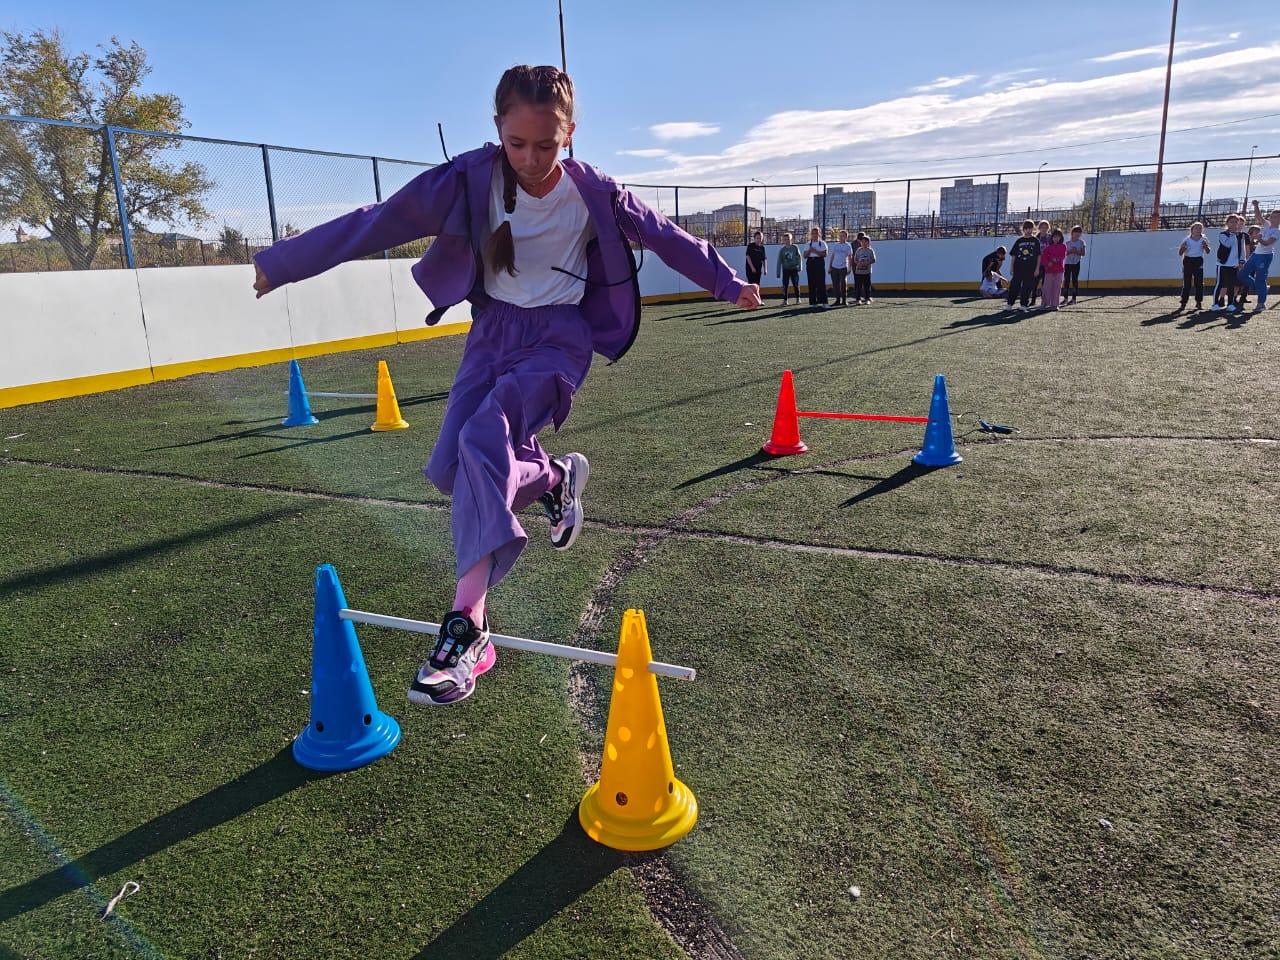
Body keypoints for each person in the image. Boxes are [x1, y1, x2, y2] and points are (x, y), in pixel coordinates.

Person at [252, 64, 760, 706]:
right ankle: (552, 477)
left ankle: (468, 626)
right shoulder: (468, 178)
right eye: (517, 143)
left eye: (546, 145)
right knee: (456, 464)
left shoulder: (595, 192)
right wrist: (283, 263)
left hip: (559, 339)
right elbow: (380, 219)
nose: (531, 159)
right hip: (492, 333)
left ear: (569, 134)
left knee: (484, 438)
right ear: (497, 130)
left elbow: (664, 235)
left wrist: (726, 282)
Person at [1238, 200, 1279, 312]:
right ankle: (1262, 288)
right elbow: (1258, 216)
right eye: (1272, 216)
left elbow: (1267, 243)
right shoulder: (1267, 224)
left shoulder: (1276, 232)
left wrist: (1259, 238)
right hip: (1256, 254)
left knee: (1260, 278)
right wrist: (1256, 206)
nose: (1272, 218)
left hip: (1265, 257)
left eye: (1275, 217)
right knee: (1242, 275)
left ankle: (1261, 304)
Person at [1006, 220, 1041, 312]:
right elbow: (1014, 255)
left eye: (1030, 228)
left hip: (1030, 268)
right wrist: (1011, 267)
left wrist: (1037, 268)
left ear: (1033, 229)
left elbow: (1038, 255)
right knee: (1014, 285)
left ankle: (1024, 304)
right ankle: (1009, 303)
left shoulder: (1036, 241)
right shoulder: (1019, 241)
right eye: (1026, 228)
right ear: (1023, 229)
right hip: (1018, 267)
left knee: (1027, 286)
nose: (1028, 230)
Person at [1212, 214, 1244, 313]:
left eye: (1236, 222)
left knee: (1231, 285)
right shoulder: (1222, 234)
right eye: (1231, 222)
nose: (1234, 224)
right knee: (1220, 284)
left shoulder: (1241, 236)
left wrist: (1241, 261)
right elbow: (1228, 244)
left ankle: (1230, 304)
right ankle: (1215, 304)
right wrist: (1232, 234)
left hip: (1233, 264)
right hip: (1223, 264)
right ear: (1227, 223)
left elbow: (1241, 249)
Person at [1177, 221, 1211, 311]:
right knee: (1187, 283)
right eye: (1196, 228)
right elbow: (1180, 253)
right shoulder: (1187, 240)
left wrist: (1205, 246)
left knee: (1199, 283)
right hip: (1188, 261)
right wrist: (1183, 248)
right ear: (1192, 230)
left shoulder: (1203, 240)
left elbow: (1208, 252)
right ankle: (1183, 302)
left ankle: (1198, 302)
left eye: (1200, 228)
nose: (1198, 230)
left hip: (1198, 261)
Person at [1039, 228, 1067, 311]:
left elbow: (1062, 256)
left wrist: (1056, 260)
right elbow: (1043, 258)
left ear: (1061, 237)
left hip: (1059, 270)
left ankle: (1055, 304)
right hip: (1049, 270)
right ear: (1052, 238)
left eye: (1058, 236)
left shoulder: (1063, 246)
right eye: (1054, 237)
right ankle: (1044, 303)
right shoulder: (1048, 247)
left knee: (1057, 287)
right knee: (1046, 287)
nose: (1056, 238)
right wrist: (1048, 263)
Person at [803, 227, 829, 308]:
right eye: (813, 233)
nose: (814, 235)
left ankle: (824, 302)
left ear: (819, 234)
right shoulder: (808, 244)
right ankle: (813, 302)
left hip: (819, 262)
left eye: (816, 233)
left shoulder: (822, 243)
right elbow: (805, 256)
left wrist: (815, 251)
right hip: (810, 263)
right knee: (811, 283)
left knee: (821, 282)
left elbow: (825, 254)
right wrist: (810, 250)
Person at [1237, 224, 1260, 310]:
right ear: (1251, 232)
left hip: (1252, 264)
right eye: (1256, 232)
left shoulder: (1254, 242)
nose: (1258, 234)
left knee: (1247, 282)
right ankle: (1236, 298)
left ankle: (1243, 297)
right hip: (1247, 264)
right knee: (1242, 281)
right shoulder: (1247, 241)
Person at [828, 229, 853, 306]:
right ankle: (837, 300)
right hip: (834, 267)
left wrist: (850, 268)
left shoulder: (848, 246)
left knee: (843, 284)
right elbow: (832, 256)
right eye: (840, 236)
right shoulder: (836, 245)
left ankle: (844, 300)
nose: (841, 237)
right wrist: (830, 266)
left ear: (846, 237)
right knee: (835, 285)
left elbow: (850, 258)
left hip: (843, 267)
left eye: (843, 236)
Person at [776, 232, 801, 305]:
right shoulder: (782, 250)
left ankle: (798, 298)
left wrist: (800, 267)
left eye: (788, 239)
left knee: (795, 284)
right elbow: (779, 261)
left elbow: (799, 257)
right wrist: (778, 272)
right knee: (785, 285)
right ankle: (785, 300)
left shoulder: (795, 247)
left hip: (794, 269)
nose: (787, 241)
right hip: (786, 269)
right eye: (785, 239)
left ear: (791, 240)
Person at [1063, 226, 1086, 305]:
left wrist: (1076, 251)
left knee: (1075, 280)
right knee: (1066, 281)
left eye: (1079, 232)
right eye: (1076, 232)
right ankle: (1065, 298)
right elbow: (1064, 254)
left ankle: (1074, 299)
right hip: (1067, 263)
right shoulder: (1067, 243)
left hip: (1076, 263)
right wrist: (1070, 251)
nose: (1077, 234)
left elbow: (1083, 253)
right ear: (1072, 233)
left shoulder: (1081, 242)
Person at [851, 233, 876, 304]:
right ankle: (858, 299)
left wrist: (867, 263)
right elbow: (855, 259)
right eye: (862, 242)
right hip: (858, 271)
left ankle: (867, 299)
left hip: (867, 272)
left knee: (867, 286)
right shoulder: (858, 250)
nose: (864, 243)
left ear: (868, 243)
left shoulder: (870, 250)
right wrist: (858, 263)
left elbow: (874, 260)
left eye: (865, 242)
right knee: (858, 286)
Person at [1030, 220, 1051, 305]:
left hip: (1046, 264)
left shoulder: (1050, 238)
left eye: (1046, 227)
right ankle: (1033, 300)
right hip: (1037, 264)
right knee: (1034, 283)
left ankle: (1044, 300)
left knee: (1045, 283)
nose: (1044, 229)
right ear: (1039, 228)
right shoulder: (1036, 238)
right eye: (1042, 227)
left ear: (1048, 228)